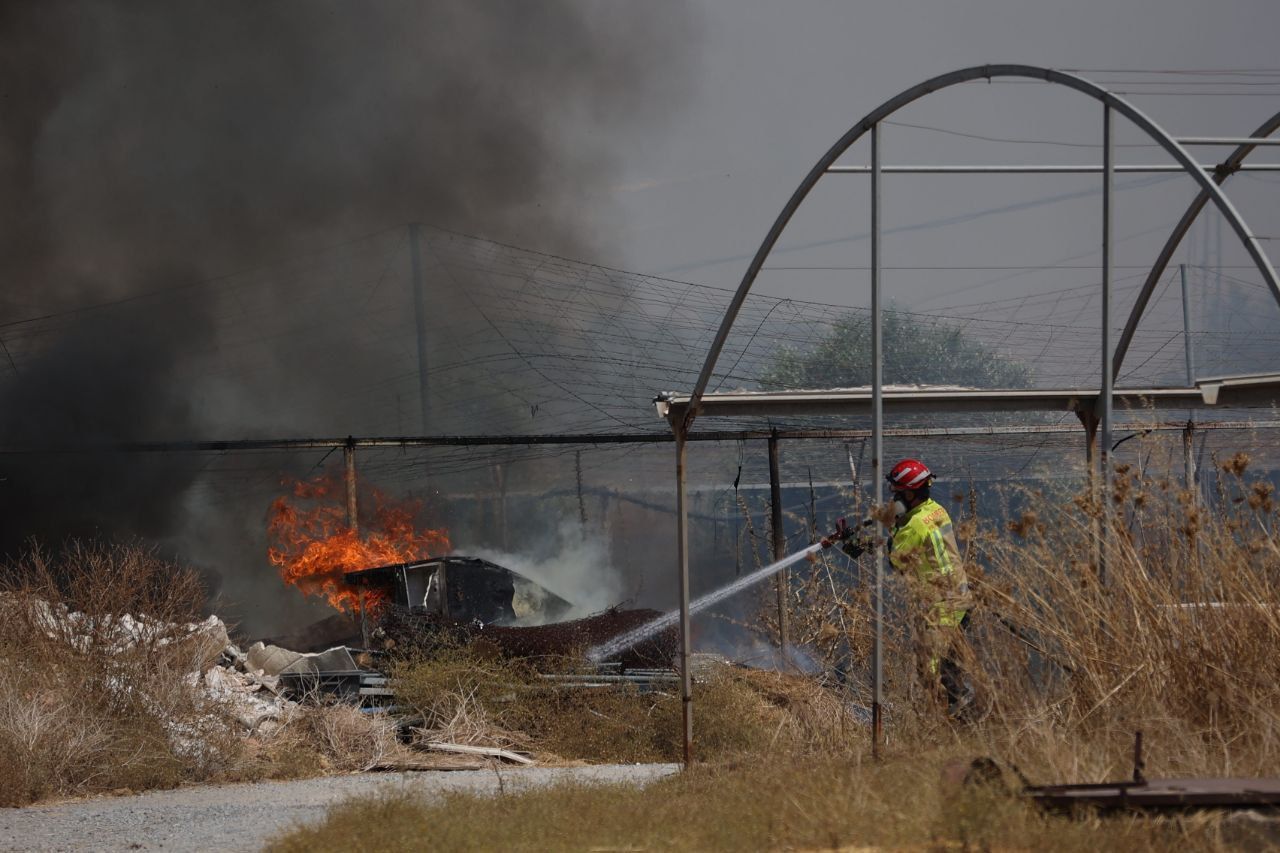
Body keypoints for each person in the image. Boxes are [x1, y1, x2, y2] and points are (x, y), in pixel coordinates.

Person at [822, 458, 976, 718]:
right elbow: (900, 535)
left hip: (943, 604)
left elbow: (897, 558)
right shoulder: (935, 509)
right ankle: (960, 713)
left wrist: (857, 544)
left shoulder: (913, 525)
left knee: (929, 668)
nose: (894, 499)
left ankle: (959, 716)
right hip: (960, 597)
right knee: (947, 666)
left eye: (898, 494)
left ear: (913, 493)